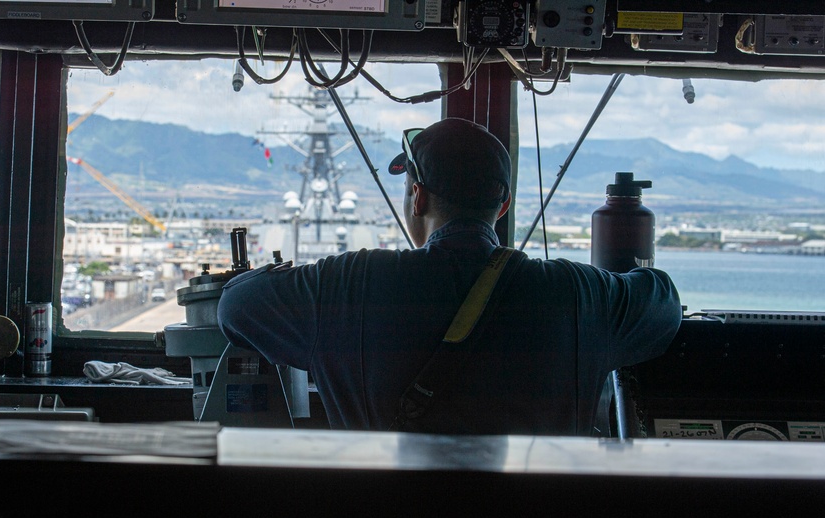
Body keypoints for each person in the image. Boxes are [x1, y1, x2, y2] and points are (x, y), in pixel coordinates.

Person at [217, 118, 681, 435]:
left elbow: (235, 307)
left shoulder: (350, 284)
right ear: (501, 208)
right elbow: (662, 300)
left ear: (417, 198)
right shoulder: (578, 294)